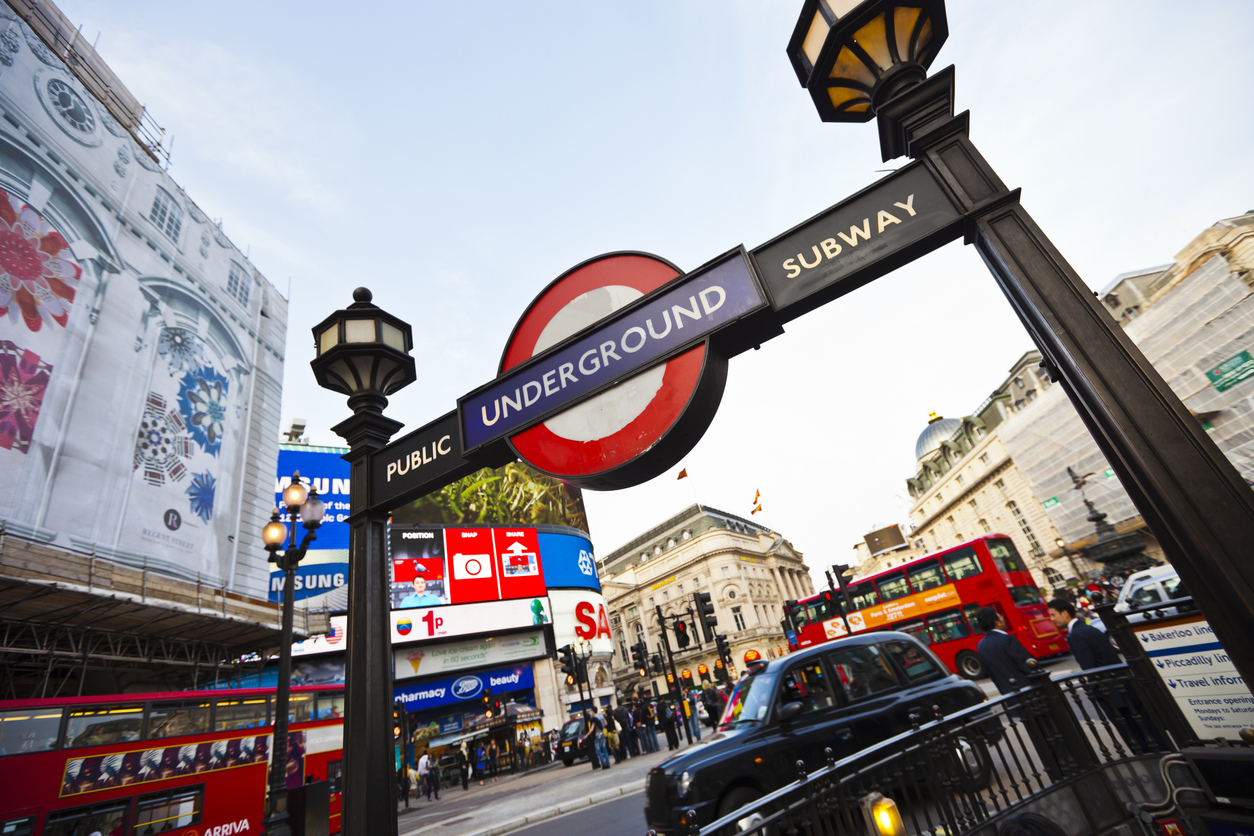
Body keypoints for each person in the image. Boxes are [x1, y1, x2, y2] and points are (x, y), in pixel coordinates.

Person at [1047, 598, 1159, 751]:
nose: (1052, 619)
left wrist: (1096, 691)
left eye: (1053, 615)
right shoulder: (1088, 628)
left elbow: (1089, 668)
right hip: (1123, 684)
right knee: (1146, 727)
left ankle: (1151, 758)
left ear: (1065, 613)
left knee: (1132, 733)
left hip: (1111, 691)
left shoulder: (1077, 635)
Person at [975, 607, 1034, 695]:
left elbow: (992, 675)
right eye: (1000, 617)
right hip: (1026, 692)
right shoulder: (1008, 639)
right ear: (997, 623)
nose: (1003, 619)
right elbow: (1027, 665)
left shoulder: (981, 645)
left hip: (1008, 696)